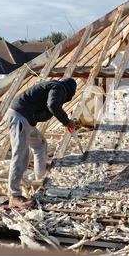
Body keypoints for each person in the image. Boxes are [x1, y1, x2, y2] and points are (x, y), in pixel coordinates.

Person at [6, 78, 79, 209]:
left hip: (25, 118)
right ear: (69, 92)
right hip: (19, 116)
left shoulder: (52, 87)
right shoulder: (59, 88)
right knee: (21, 154)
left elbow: (46, 110)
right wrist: (67, 122)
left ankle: (39, 180)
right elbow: (53, 106)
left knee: (40, 145)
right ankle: (14, 195)